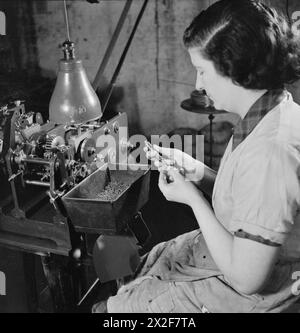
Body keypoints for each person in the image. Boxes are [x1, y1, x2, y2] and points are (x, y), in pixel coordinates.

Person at [93, 0, 300, 313]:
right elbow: (254, 201)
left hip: (247, 290)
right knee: (152, 266)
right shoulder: (271, 111)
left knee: (112, 312)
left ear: (237, 70)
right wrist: (199, 172)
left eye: (202, 71)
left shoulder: (272, 152)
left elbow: (247, 279)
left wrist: (193, 200)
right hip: (239, 254)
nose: (197, 84)